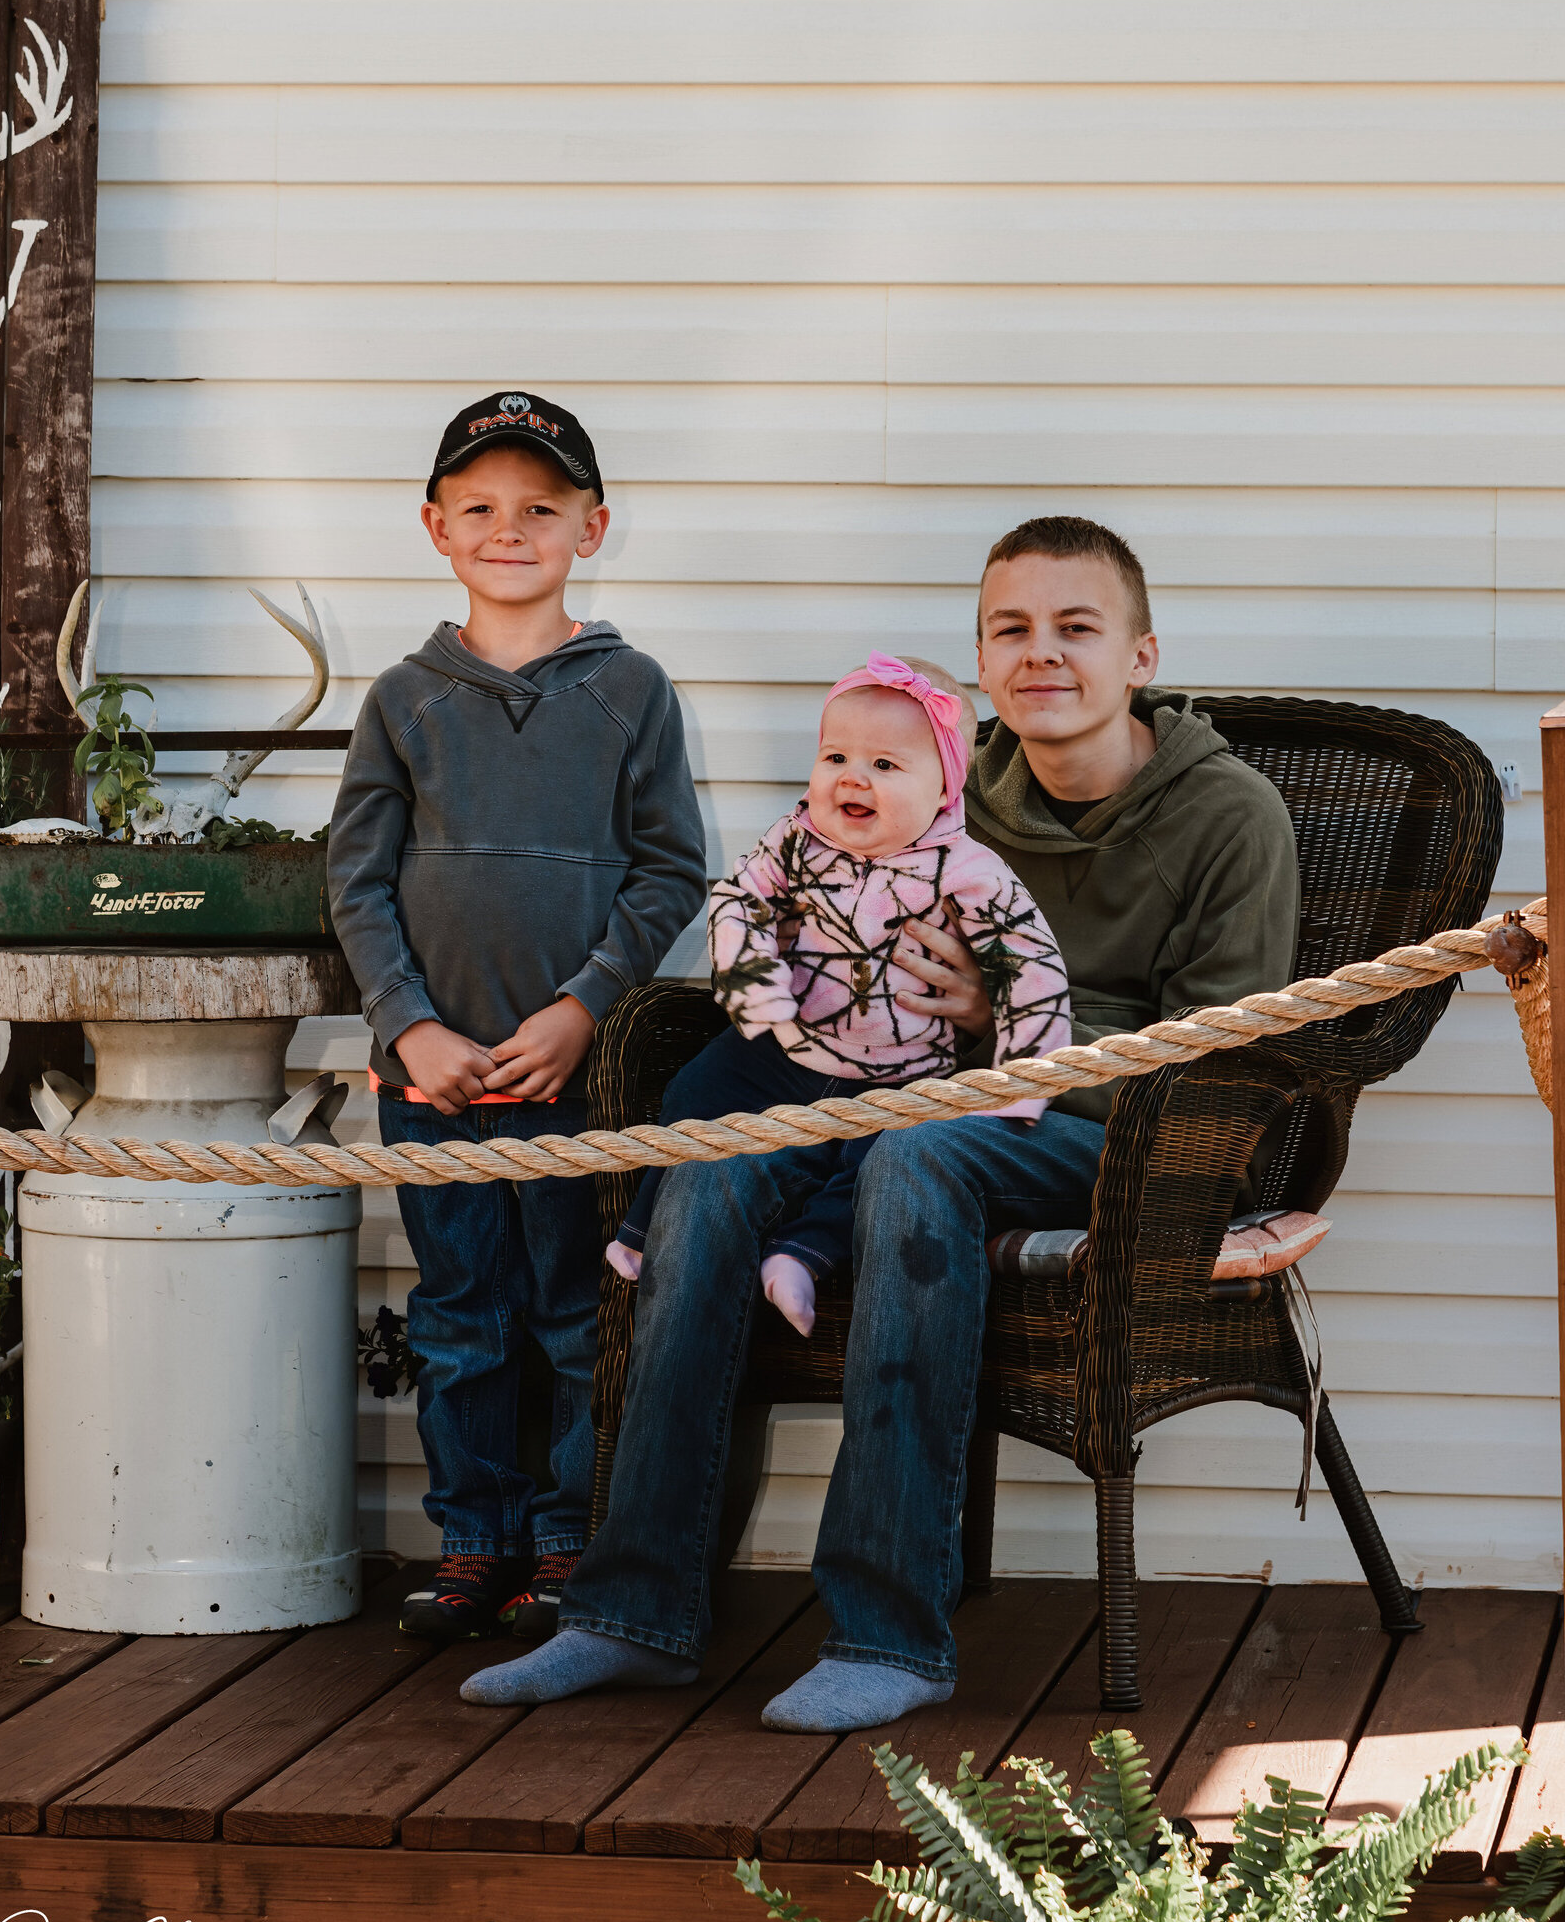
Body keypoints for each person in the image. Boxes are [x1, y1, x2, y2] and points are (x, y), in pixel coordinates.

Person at [460, 514, 1298, 1726]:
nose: (1042, 654)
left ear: (1141, 655)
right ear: (980, 656)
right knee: (712, 1167)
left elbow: (1227, 1051)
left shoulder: (1229, 817)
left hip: (1130, 1138)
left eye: (1077, 628)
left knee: (917, 1160)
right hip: (904, 1101)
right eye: (1010, 629)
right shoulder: (946, 788)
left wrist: (991, 1040)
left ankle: (889, 1633)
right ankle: (631, 1611)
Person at [327, 392, 708, 1644]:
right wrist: (407, 1026)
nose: (510, 528)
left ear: (591, 528)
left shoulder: (631, 690)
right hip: (430, 1081)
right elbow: (359, 880)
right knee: (457, 1317)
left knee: (564, 1313)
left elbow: (666, 870)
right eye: (481, 507)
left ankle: (560, 1535)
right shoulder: (401, 699)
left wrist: (582, 1012)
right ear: (435, 527)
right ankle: (473, 1536)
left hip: (571, 1080)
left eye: (540, 508)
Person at [606, 651, 1069, 1337]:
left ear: (946, 787)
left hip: (901, 1070)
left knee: (873, 1168)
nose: (853, 776)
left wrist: (1020, 1087)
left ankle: (800, 1258)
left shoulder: (970, 873)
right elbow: (740, 900)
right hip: (785, 1046)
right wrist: (754, 983)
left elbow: (1033, 972)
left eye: (886, 765)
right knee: (694, 1091)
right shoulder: (798, 838)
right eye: (836, 757)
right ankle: (641, 1228)